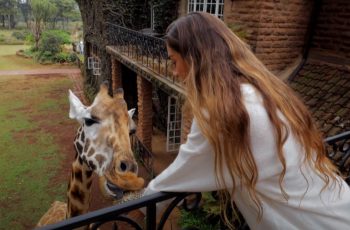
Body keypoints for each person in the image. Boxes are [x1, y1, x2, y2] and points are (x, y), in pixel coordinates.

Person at [142, 12, 350, 229]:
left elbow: (179, 175)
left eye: (174, 61)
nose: (174, 72)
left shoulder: (220, 114)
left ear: (195, 59)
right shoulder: (264, 92)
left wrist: (139, 204)